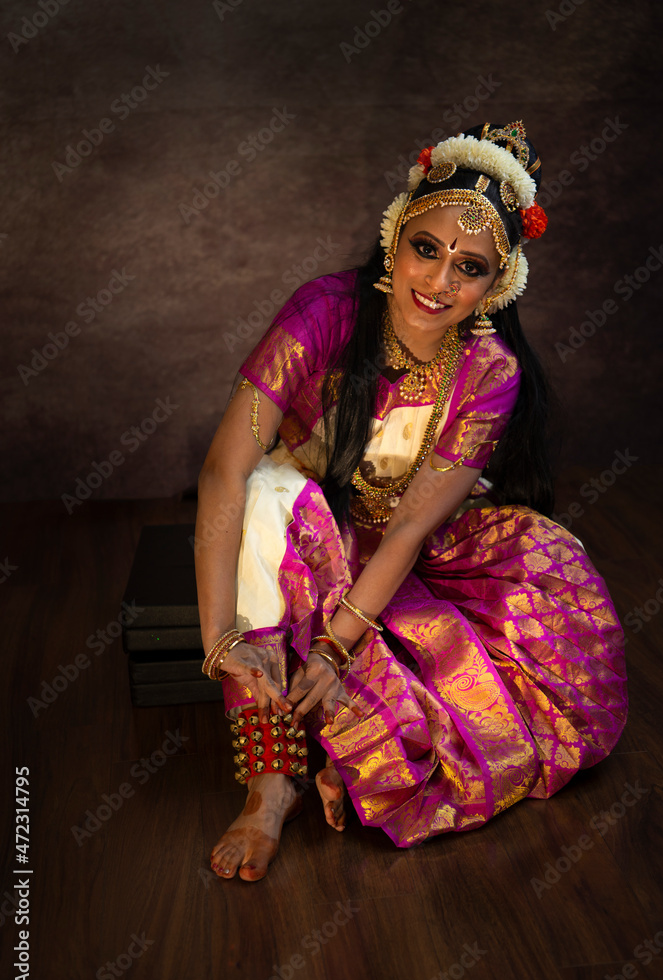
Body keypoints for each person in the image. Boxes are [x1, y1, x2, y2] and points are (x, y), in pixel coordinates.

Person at [195, 121, 628, 882]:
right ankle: (269, 787)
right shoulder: (322, 315)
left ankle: (351, 760)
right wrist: (220, 640)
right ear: (395, 238)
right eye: (425, 250)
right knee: (264, 489)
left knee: (543, 662)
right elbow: (223, 473)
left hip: (406, 554)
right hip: (297, 535)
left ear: (499, 283)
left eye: (470, 267)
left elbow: (406, 534)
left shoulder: (488, 370)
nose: (437, 283)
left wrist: (334, 648)